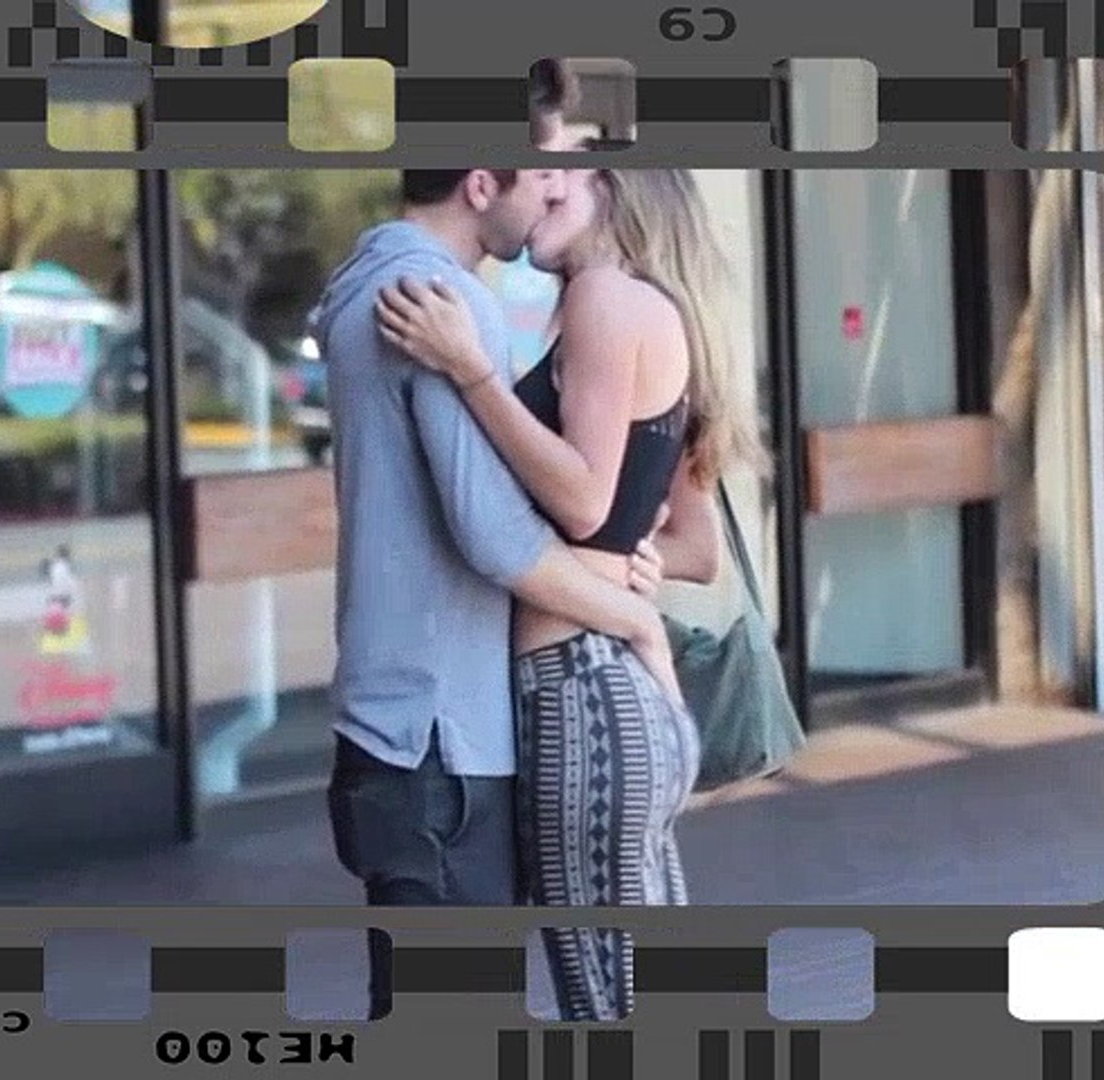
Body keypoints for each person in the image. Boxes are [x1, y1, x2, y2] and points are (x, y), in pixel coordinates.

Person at [375, 167, 769, 1020]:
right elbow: (691, 546)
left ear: (618, 199)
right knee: (640, 997)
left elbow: (585, 500)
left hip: (579, 692)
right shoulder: (641, 311)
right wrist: (631, 575)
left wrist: (472, 372)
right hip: (615, 690)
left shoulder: (603, 296)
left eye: (564, 186)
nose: (544, 192)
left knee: (607, 1002)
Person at [312, 167, 680, 1021]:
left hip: (398, 730)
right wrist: (637, 622)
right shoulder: (443, 303)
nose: (550, 193)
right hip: (438, 739)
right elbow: (496, 537)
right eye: (543, 174)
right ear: (482, 183)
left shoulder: (366, 278)